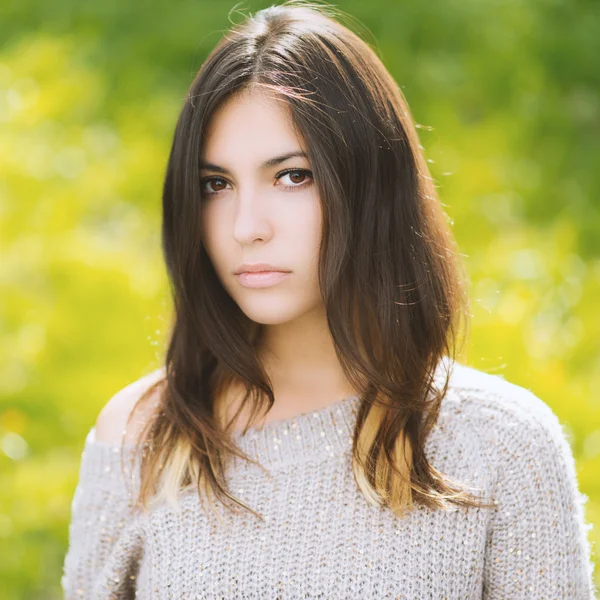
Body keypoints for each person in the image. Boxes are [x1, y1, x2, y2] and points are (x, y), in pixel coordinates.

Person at [61, 1, 596, 598]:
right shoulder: (143, 436)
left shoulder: (501, 444)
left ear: (371, 183)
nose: (245, 226)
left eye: (292, 176)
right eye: (217, 185)